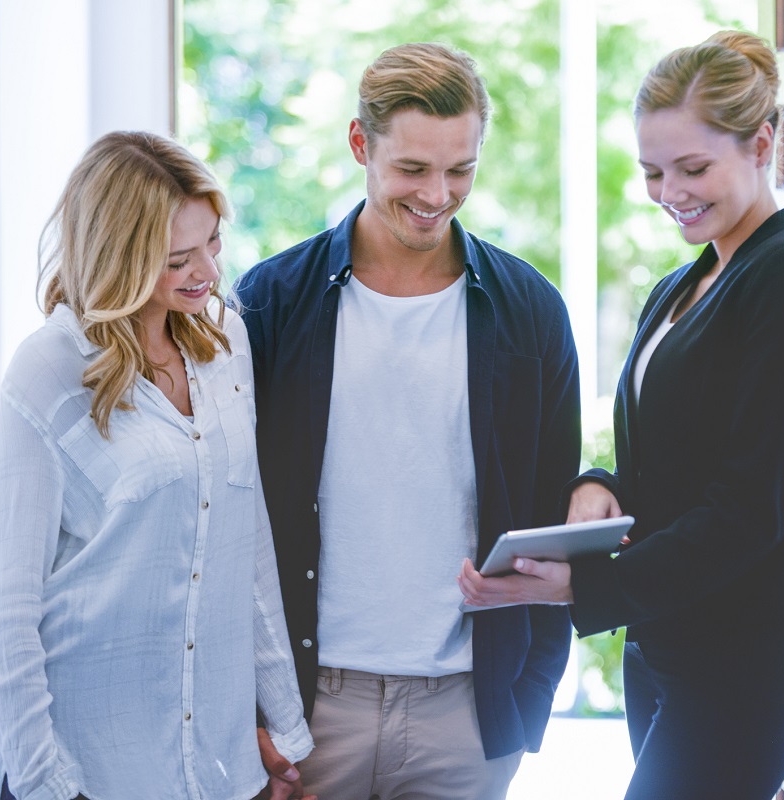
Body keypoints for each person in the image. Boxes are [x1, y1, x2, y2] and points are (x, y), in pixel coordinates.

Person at [458, 30, 784, 800]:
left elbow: (751, 508)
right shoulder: (686, 282)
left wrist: (578, 587)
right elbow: (667, 450)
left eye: (693, 168)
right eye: (652, 171)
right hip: (662, 646)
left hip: (743, 660)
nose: (670, 191)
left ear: (763, 143)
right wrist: (600, 485)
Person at [234, 42, 581, 800]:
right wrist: (245, 718)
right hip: (306, 711)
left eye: (461, 169)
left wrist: (528, 701)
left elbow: (552, 508)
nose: (439, 194)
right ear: (361, 144)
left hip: (467, 714)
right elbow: (227, 518)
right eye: (414, 170)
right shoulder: (270, 304)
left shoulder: (531, 313)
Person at [0, 131, 313, 800]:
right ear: (118, 255)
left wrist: (284, 727)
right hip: (85, 767)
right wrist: (47, 784)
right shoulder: (48, 371)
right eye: (177, 258)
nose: (207, 273)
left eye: (212, 243)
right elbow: (2, 610)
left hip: (212, 767)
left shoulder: (225, 345)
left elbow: (247, 544)